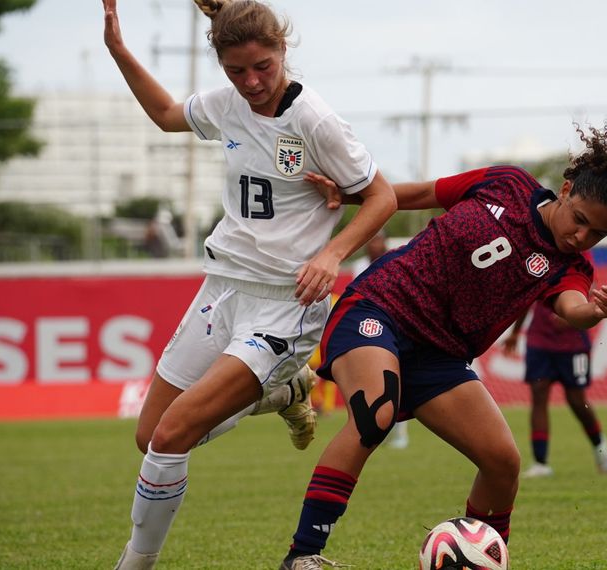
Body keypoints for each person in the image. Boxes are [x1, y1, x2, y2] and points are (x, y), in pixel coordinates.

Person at [278, 122, 607, 569]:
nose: (581, 237)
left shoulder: (570, 265)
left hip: (440, 354)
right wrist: (347, 195)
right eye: (580, 220)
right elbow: (418, 194)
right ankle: (303, 555)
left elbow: (572, 307)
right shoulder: (506, 184)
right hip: (381, 307)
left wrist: (595, 310)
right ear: (565, 191)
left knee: (503, 462)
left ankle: (482, 560)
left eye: (597, 234)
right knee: (376, 414)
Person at [102, 0, 396, 567]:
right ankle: (284, 393)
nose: (252, 82)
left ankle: (134, 563)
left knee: (170, 438)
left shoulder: (314, 120)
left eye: (263, 66)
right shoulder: (227, 104)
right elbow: (165, 114)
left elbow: (380, 196)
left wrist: (333, 253)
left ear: (283, 49)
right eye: (236, 70)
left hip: (285, 305)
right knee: (151, 436)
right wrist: (118, 50)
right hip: (222, 289)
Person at [502, 279, 607, 478]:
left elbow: (590, 293)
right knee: (539, 396)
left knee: (576, 400)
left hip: (574, 345)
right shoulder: (539, 263)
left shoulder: (579, 262)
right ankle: (540, 463)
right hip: (540, 341)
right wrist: (516, 332)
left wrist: (573, 315)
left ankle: (600, 446)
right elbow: (527, 297)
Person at [351, 230, 410, 449]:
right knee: (370, 383)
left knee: (396, 380)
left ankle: (400, 433)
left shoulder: (396, 258)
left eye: (378, 240)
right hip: (367, 328)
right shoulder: (358, 266)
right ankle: (372, 432)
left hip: (395, 324)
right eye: (371, 240)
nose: (374, 244)